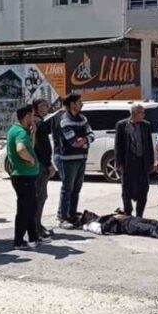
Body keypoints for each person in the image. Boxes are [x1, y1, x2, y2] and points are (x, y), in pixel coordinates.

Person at [52, 93, 94, 228]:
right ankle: (63, 217)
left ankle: (72, 214)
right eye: (79, 102)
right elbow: (73, 142)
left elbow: (91, 135)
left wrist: (85, 140)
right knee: (67, 188)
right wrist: (83, 141)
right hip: (67, 159)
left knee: (77, 188)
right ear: (72, 105)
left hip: (81, 157)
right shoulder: (64, 120)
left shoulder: (83, 118)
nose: (81, 104)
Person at [6, 103, 41, 248]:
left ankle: (33, 237)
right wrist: (31, 159)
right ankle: (18, 240)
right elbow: (21, 149)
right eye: (32, 115)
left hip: (26, 176)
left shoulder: (20, 130)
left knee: (31, 207)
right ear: (26, 116)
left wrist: (32, 134)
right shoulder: (19, 132)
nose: (33, 118)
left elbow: (29, 147)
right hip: (23, 176)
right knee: (24, 209)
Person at [114, 103, 155, 217]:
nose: (144, 115)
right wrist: (119, 163)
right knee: (127, 189)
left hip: (142, 162)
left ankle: (139, 214)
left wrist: (152, 162)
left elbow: (149, 145)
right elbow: (118, 145)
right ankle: (128, 212)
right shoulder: (122, 125)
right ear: (135, 113)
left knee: (143, 188)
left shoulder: (146, 125)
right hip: (128, 162)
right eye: (142, 112)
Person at [31, 98, 56, 238]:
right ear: (36, 108)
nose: (46, 107)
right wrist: (48, 164)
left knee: (39, 196)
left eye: (46, 105)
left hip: (36, 163)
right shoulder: (39, 123)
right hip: (40, 164)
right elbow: (43, 147)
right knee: (40, 196)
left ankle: (37, 224)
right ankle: (36, 227)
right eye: (43, 106)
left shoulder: (36, 121)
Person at [79, 210, 158, 241]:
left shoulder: (99, 218)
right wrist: (114, 218)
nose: (90, 213)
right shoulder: (91, 225)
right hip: (125, 226)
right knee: (150, 229)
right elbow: (102, 229)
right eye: (87, 214)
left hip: (129, 219)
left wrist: (119, 213)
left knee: (154, 223)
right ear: (86, 219)